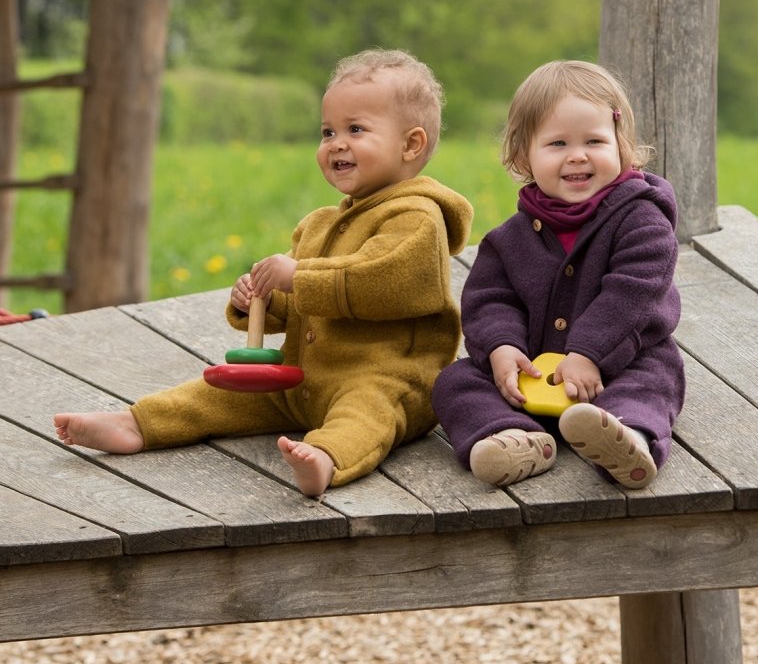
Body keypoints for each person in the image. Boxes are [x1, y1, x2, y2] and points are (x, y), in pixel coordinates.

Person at [55, 49, 474, 497]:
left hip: (387, 377)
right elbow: (300, 307)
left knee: (366, 414)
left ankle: (327, 459)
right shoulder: (317, 225)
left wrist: (299, 277)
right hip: (303, 380)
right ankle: (138, 423)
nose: (336, 143)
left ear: (411, 144)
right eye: (328, 131)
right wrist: (263, 300)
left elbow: (385, 283)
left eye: (356, 129)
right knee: (218, 392)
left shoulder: (417, 218)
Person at [432, 59, 684, 491]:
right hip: (533, 372)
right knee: (455, 381)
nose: (578, 155)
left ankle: (627, 438)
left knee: (651, 382)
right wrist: (502, 349)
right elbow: (490, 299)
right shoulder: (509, 238)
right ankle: (516, 438)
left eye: (594, 140)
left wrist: (589, 354)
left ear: (622, 145)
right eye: (557, 143)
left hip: (620, 363)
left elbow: (633, 295)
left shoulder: (642, 221)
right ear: (523, 155)